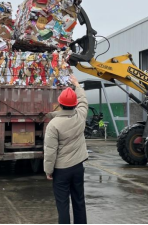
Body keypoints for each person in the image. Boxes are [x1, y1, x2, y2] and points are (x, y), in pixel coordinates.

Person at [44, 74, 88, 224]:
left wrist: (48, 170)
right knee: (79, 201)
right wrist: (77, 85)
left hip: (61, 171)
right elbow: (83, 100)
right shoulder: (81, 116)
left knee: (62, 205)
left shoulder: (53, 125)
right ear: (75, 104)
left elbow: (50, 151)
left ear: (60, 103)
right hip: (78, 168)